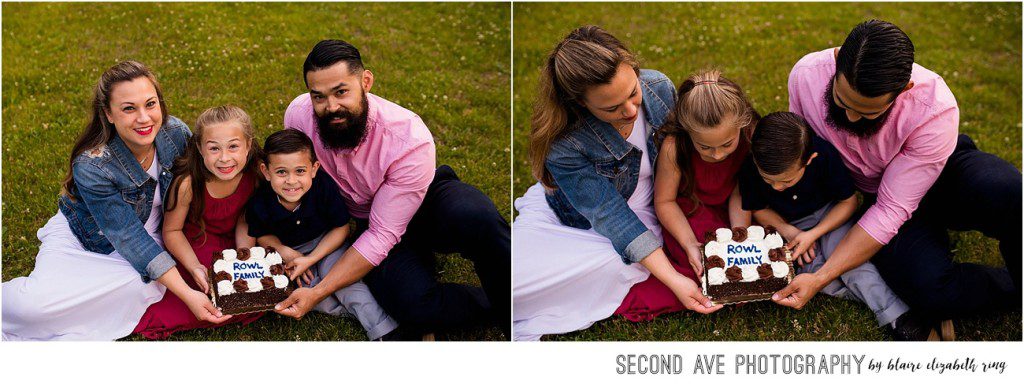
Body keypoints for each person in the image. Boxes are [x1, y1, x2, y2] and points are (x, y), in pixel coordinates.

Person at [776, 19, 1022, 339]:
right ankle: (1009, 288)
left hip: (944, 177)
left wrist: (821, 277)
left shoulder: (934, 107)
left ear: (902, 91)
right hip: (880, 197)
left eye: (867, 113)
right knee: (933, 294)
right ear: (837, 62)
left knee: (1008, 191)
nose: (850, 118)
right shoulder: (805, 76)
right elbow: (805, 151)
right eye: (842, 102)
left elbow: (895, 208)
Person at [274, 39, 510, 339]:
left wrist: (318, 292)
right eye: (318, 96)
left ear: (366, 81)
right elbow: (378, 233)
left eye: (341, 92)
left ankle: (514, 302)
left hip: (427, 204)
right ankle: (487, 300)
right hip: (372, 221)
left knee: (476, 216)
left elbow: (384, 233)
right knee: (413, 307)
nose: (331, 107)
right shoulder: (298, 116)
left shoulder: (409, 137)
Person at [513, 26, 721, 341]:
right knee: (516, 289)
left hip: (650, 203)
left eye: (632, 92)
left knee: (635, 263)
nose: (631, 110)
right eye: (611, 108)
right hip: (584, 218)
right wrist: (674, 282)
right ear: (579, 103)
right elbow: (612, 216)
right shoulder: (565, 145)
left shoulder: (657, 87)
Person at [2, 61, 231, 340]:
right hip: (88, 237)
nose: (144, 118)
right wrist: (187, 295)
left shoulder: (175, 134)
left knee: (140, 287)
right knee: (31, 309)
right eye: (129, 108)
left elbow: (217, 164)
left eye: (150, 104)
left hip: (149, 232)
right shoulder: (93, 165)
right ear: (108, 114)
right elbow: (128, 236)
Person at [740, 112, 929, 340]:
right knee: (811, 271)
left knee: (846, 262)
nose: (777, 187)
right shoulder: (751, 167)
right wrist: (791, 231)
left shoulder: (824, 156)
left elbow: (848, 203)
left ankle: (898, 315)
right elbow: (759, 209)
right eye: (768, 180)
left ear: (809, 159)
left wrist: (814, 234)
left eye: (786, 180)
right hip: (788, 224)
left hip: (830, 217)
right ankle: (893, 296)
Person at [616, 70, 760, 321]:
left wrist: (740, 235)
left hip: (733, 208)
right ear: (688, 132)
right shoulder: (675, 146)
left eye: (727, 145)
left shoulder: (748, 135)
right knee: (703, 265)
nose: (717, 155)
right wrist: (689, 244)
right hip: (689, 212)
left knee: (761, 257)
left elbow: (740, 191)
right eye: (705, 147)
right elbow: (665, 201)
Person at [246, 129, 399, 340]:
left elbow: (341, 228)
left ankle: (385, 331)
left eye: (300, 171)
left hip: (327, 245)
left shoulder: (323, 188)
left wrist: (311, 259)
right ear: (266, 171)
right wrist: (284, 251)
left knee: (346, 285)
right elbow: (262, 235)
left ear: (314, 169)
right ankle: (354, 313)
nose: (291, 181)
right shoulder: (260, 201)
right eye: (281, 172)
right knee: (312, 295)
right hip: (291, 252)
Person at [133, 105, 265, 339]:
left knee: (252, 291)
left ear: (248, 145)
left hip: (233, 243)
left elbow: (246, 217)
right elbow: (172, 231)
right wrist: (194, 266)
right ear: (200, 148)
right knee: (206, 293)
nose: (224, 158)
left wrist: (245, 255)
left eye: (233, 146)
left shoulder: (254, 175)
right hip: (195, 245)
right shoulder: (187, 184)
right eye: (214, 148)